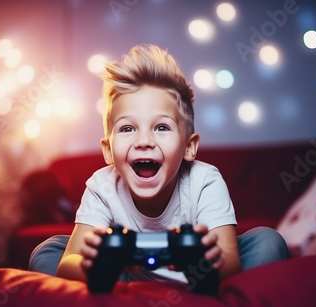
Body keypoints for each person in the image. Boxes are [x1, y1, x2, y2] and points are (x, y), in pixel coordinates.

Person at [29, 44, 288, 286]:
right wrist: (99, 263)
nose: (144, 141)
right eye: (128, 128)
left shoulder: (205, 180)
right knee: (47, 252)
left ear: (189, 147)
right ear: (108, 151)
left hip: (195, 277)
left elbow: (229, 262)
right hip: (123, 278)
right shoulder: (102, 185)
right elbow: (67, 266)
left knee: (267, 241)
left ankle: (199, 306)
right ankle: (117, 301)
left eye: (161, 127)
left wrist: (199, 261)